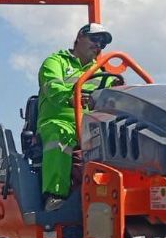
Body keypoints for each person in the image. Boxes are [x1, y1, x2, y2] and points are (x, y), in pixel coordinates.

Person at [36, 23, 113, 211]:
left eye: (103, 44)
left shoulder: (103, 73)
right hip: (59, 121)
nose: (98, 46)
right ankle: (55, 196)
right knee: (60, 135)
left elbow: (115, 95)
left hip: (91, 126)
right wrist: (73, 97)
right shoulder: (56, 62)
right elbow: (52, 88)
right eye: (95, 39)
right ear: (80, 37)